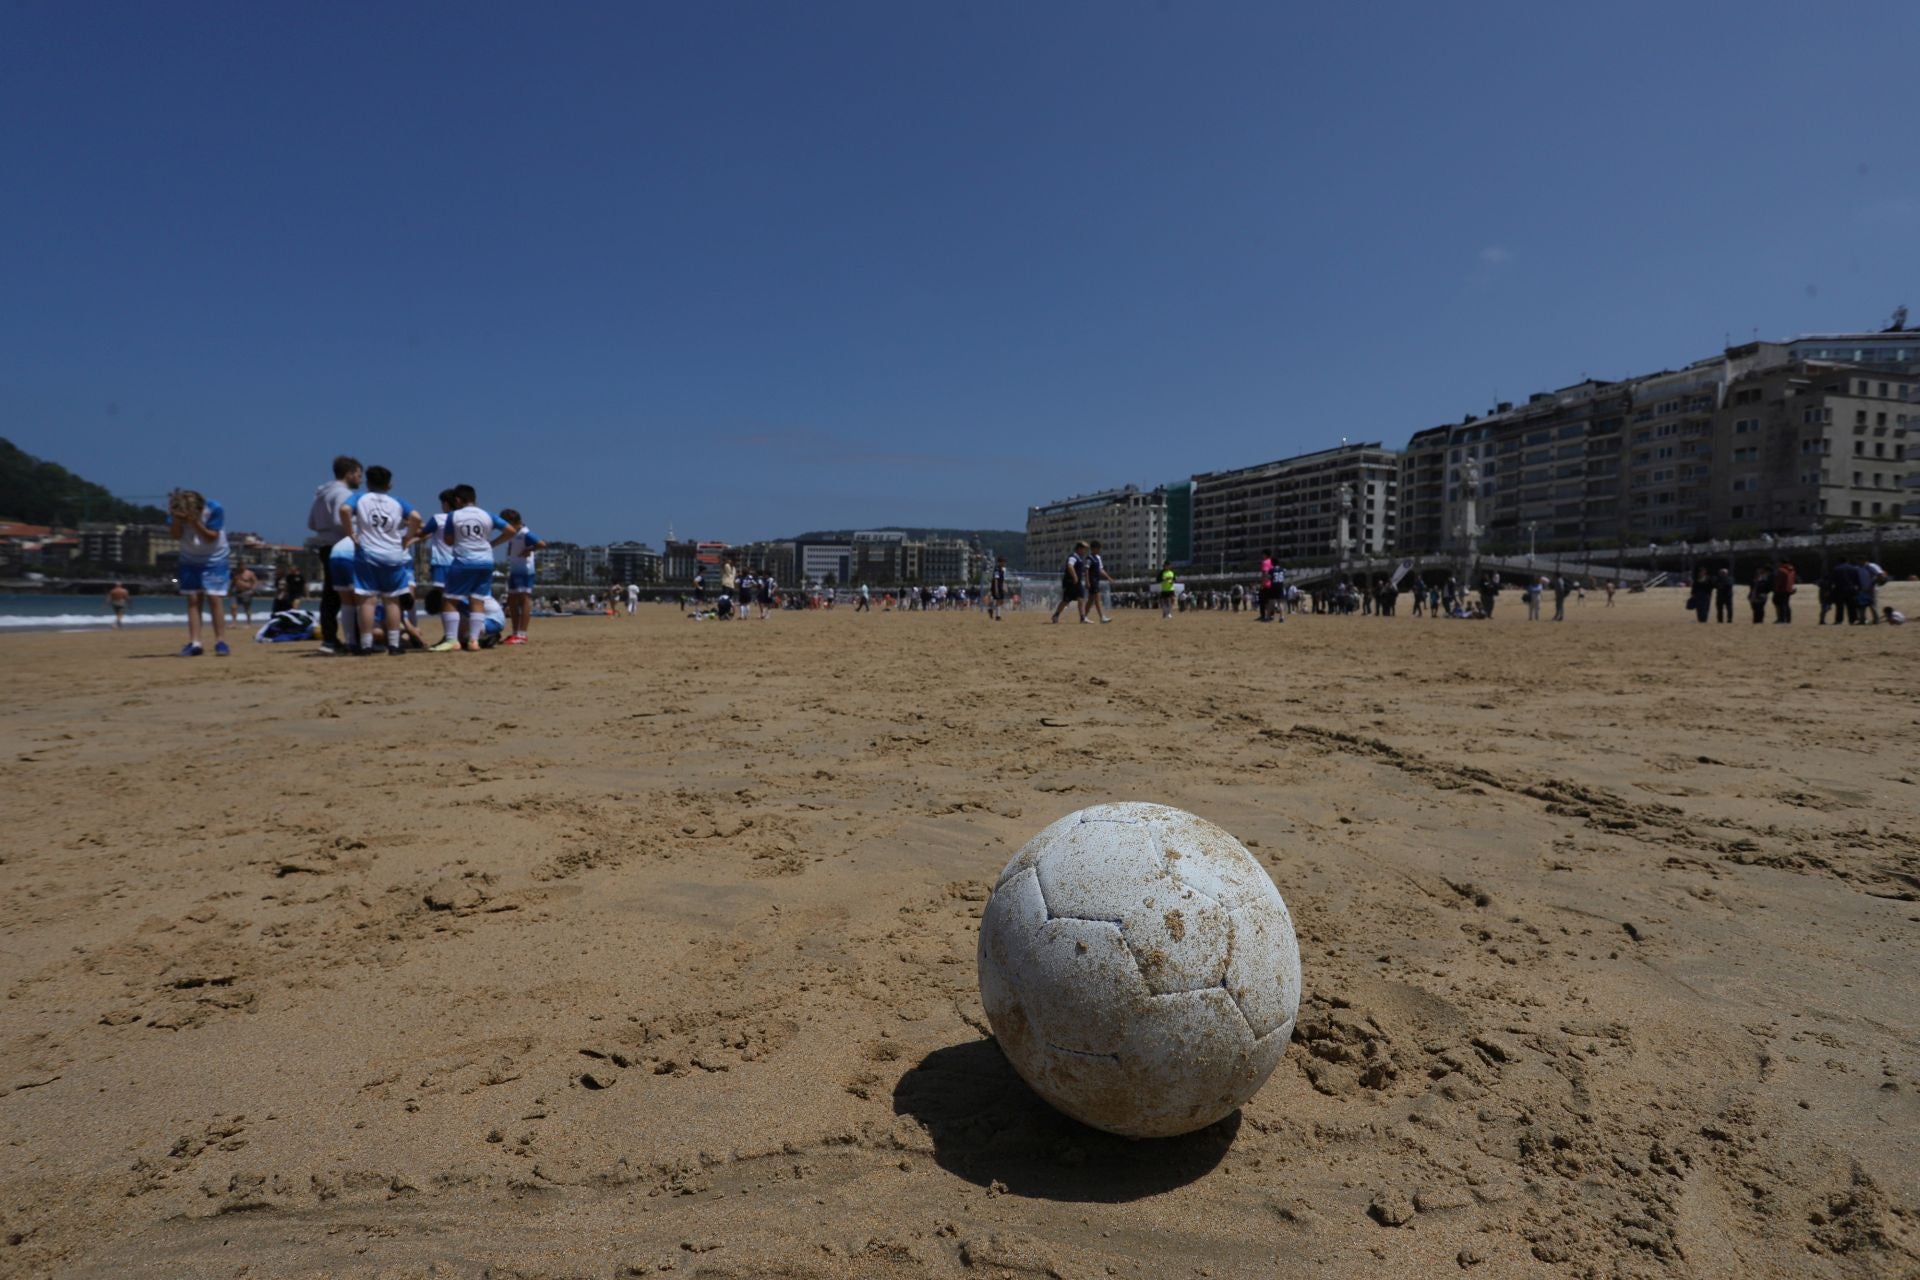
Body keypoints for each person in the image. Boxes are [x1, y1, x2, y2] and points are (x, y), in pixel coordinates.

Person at [342, 465, 421, 656]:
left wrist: (350, 533)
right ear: (389, 484)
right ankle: (394, 644)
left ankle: (366, 645)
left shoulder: (360, 497)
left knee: (367, 601)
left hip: (367, 553)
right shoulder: (397, 502)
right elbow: (416, 517)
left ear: (368, 482)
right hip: (393, 554)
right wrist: (407, 538)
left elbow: (344, 509)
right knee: (392, 601)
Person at [305, 455, 362, 655]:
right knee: (351, 593)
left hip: (324, 545)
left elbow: (311, 522)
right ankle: (353, 638)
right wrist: (356, 534)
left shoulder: (321, 494)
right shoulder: (343, 494)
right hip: (342, 545)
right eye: (358, 475)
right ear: (349, 473)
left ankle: (330, 638)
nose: (360, 479)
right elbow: (341, 520)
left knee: (330, 593)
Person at [442, 484, 507, 652]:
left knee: (450, 599)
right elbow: (510, 530)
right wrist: (492, 543)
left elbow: (448, 540)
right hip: (485, 561)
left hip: (464, 560)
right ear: (474, 498)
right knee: (477, 600)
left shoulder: (454, 515)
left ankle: (452, 640)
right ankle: (474, 641)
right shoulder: (487, 515)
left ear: (457, 500)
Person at [168, 488, 230, 656]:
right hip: (189, 557)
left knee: (214, 598)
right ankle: (195, 642)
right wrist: (176, 520)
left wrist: (195, 522)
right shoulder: (175, 509)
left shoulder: (214, 508)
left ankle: (221, 641)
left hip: (215, 556)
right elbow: (175, 535)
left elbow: (211, 537)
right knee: (193, 598)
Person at [496, 508, 542, 644]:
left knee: (524, 599)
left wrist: (530, 549)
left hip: (525, 570)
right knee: (512, 601)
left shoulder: (524, 532)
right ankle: (515, 632)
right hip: (515, 569)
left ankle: (522, 634)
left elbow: (541, 543)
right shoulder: (512, 534)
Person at [1050, 542, 1087, 624]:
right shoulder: (1073, 557)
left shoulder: (1079, 558)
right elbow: (1070, 566)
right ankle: (1056, 615)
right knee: (1066, 601)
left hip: (1077, 583)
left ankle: (1082, 618)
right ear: (1079, 549)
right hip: (1071, 582)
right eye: (1084, 549)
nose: (1085, 551)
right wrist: (1075, 576)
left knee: (1081, 598)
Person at [1086, 540, 1113, 623]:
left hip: (1096, 580)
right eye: (1098, 548)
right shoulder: (1089, 558)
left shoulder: (1098, 558)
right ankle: (1102, 617)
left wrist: (1108, 577)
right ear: (1093, 549)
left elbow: (1101, 569)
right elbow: (1086, 570)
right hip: (1092, 580)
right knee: (1097, 599)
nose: (1099, 550)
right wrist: (1087, 581)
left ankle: (1083, 616)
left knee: (1091, 600)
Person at [990, 557, 1009, 622]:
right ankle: (998, 616)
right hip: (996, 586)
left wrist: (1005, 587)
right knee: (998, 600)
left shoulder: (1002, 570)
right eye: (1003, 562)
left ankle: (991, 609)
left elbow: (1003, 580)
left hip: (1000, 586)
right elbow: (995, 580)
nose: (1004, 563)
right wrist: (996, 589)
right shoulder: (997, 569)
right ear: (999, 562)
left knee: (1001, 601)